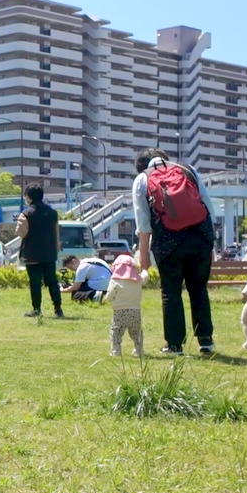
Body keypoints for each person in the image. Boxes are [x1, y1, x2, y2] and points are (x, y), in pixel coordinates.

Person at [132, 148, 216, 356]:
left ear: (141, 166)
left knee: (170, 291)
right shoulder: (188, 170)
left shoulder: (143, 179)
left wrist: (143, 256)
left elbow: (143, 224)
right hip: (200, 236)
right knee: (198, 288)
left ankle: (175, 345)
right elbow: (208, 207)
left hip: (168, 240)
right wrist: (211, 243)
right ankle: (205, 341)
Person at [16, 184, 63, 318]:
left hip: (32, 254)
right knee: (52, 282)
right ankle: (58, 309)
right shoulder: (52, 213)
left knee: (35, 283)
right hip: (49, 253)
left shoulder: (26, 214)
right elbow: (56, 233)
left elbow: (21, 233)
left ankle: (37, 310)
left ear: (29, 196)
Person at [106, 254, 144, 356]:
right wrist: (143, 269)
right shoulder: (138, 280)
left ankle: (116, 351)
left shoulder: (115, 281)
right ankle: (138, 350)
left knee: (116, 332)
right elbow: (146, 277)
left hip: (119, 311)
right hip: (135, 311)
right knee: (137, 333)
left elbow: (109, 296)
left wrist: (109, 299)